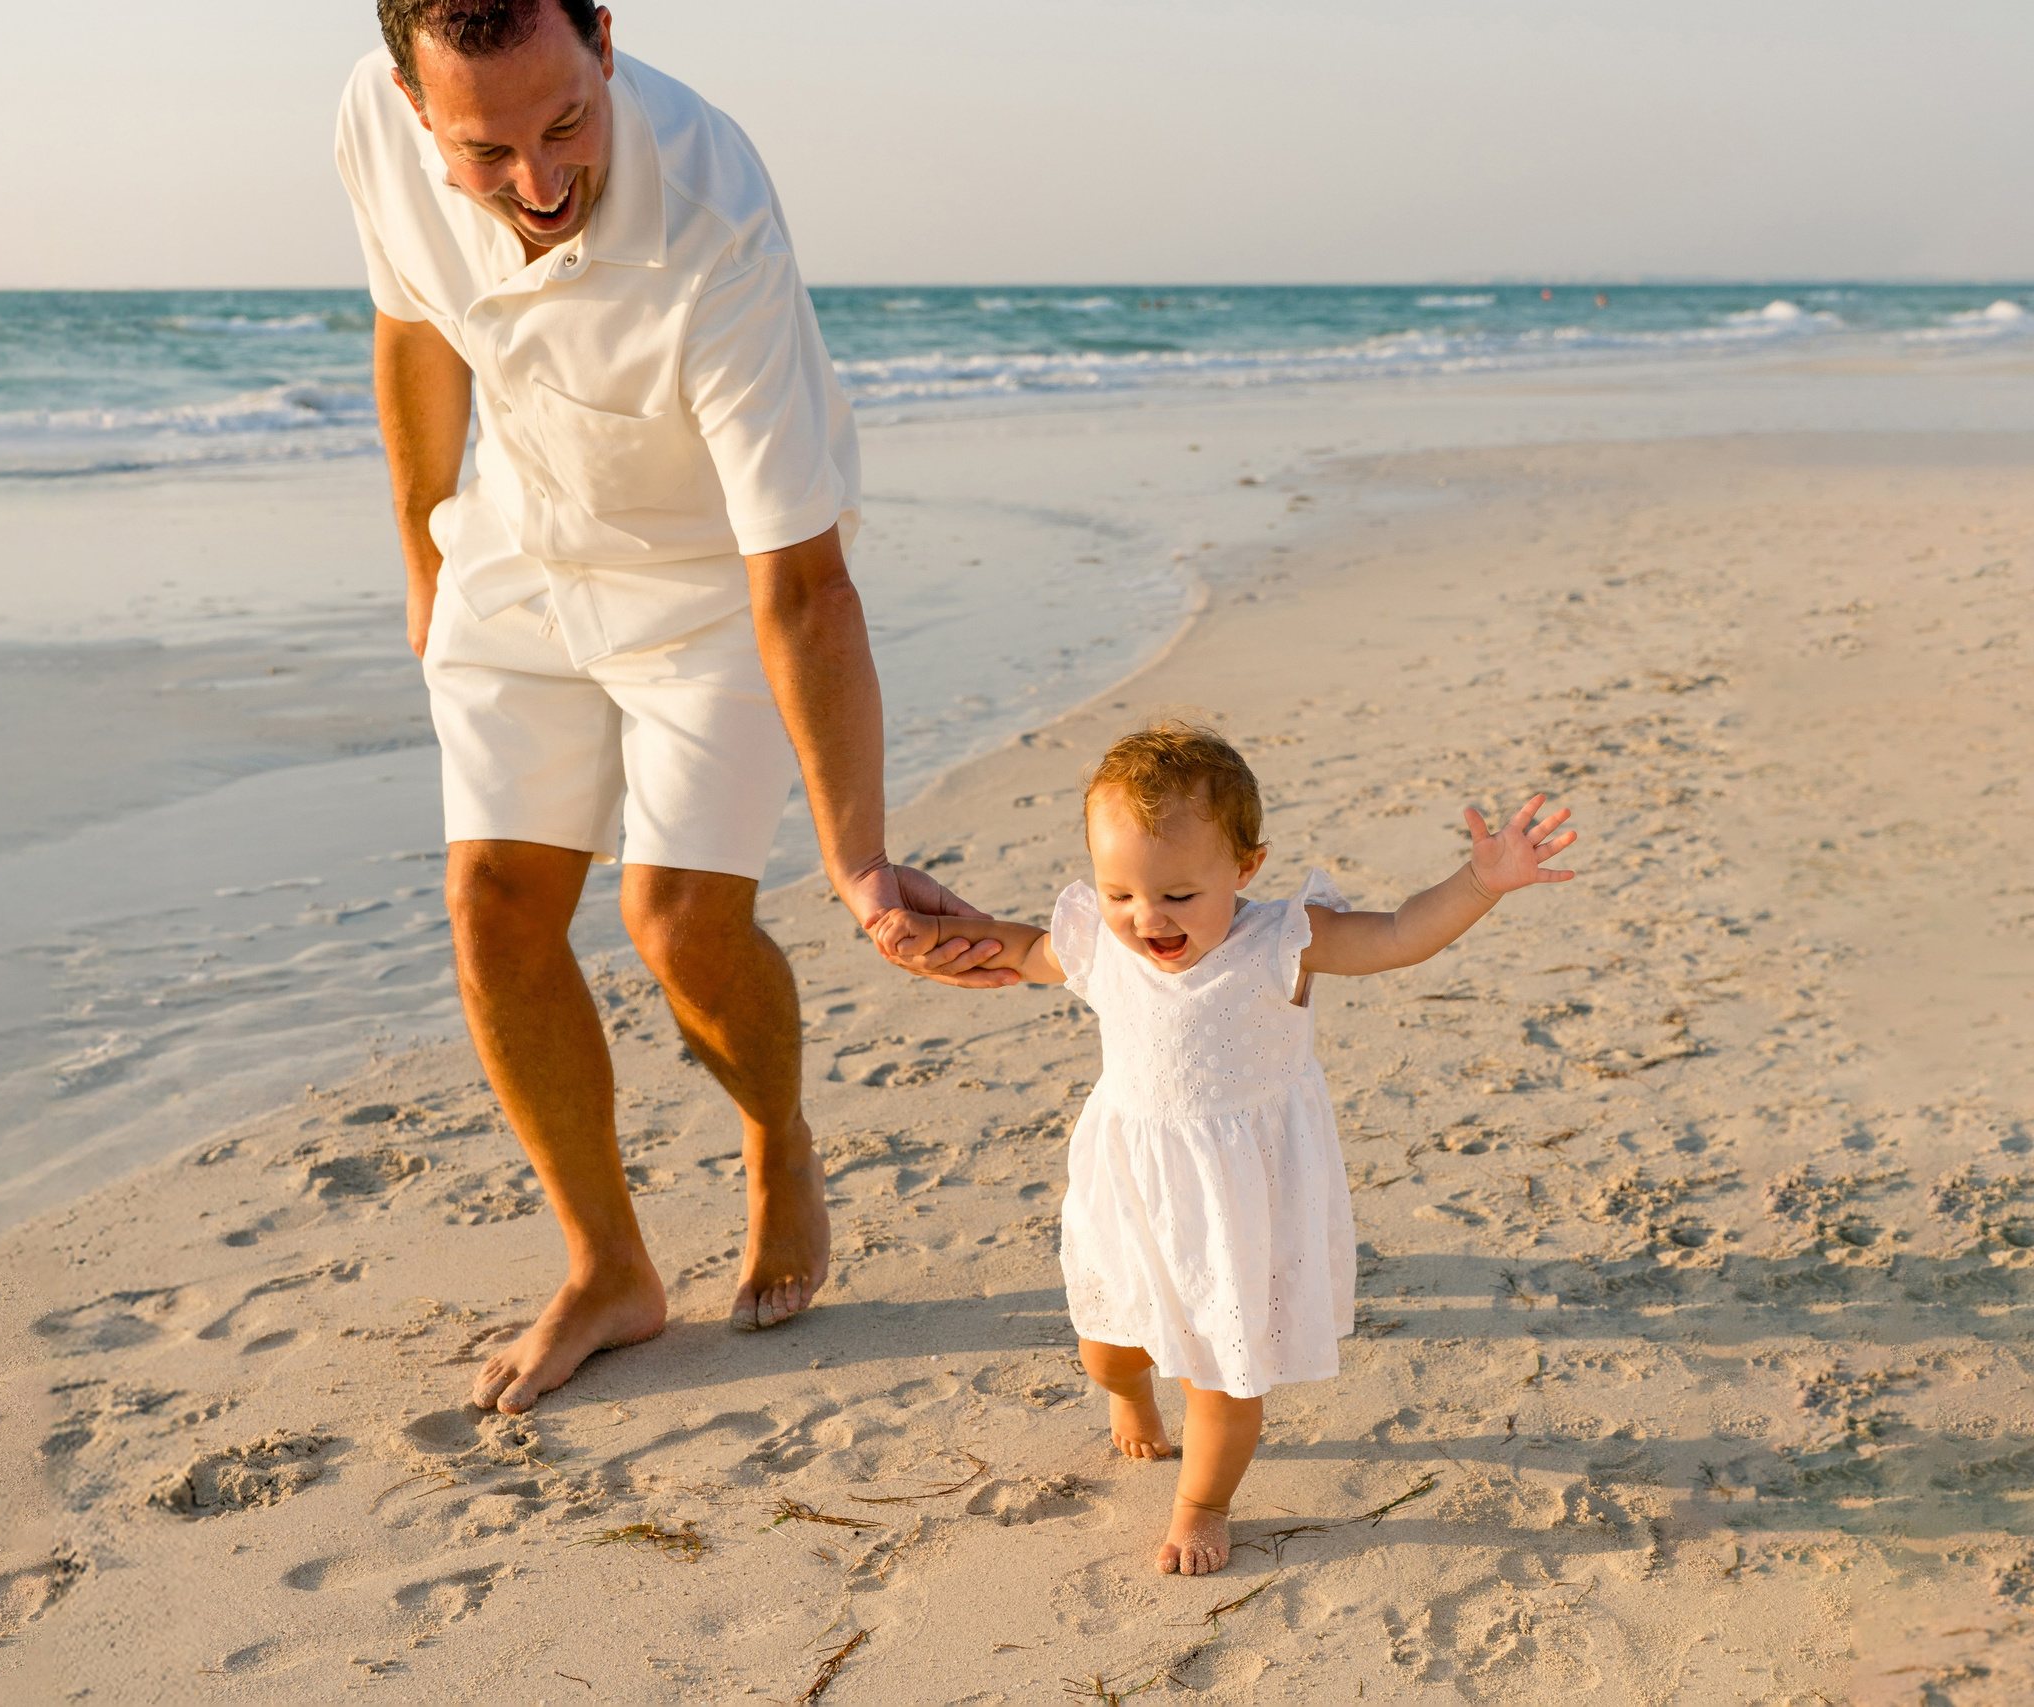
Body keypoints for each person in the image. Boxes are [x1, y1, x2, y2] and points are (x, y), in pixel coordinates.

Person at [336, 1, 998, 1415]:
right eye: (486, 149)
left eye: (565, 123)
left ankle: (777, 1133)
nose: (538, 181)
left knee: (677, 919)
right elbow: (411, 326)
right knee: (493, 904)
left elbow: (805, 587)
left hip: (714, 577)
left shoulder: (715, 219)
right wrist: (420, 557)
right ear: (410, 103)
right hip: (516, 541)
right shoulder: (373, 131)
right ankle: (610, 1267)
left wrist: (860, 858)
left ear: (606, 44)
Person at [870, 724, 1578, 1572]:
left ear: (1244, 868)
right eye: (1120, 891)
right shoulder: (1101, 938)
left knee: (1224, 1371)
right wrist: (925, 934)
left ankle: (1203, 1502)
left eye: (1177, 894)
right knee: (1107, 1343)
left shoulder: (1283, 942)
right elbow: (1016, 950)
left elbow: (1396, 935)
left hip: (1240, 1194)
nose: (1147, 918)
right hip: (1134, 1183)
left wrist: (1480, 880)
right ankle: (1130, 1397)